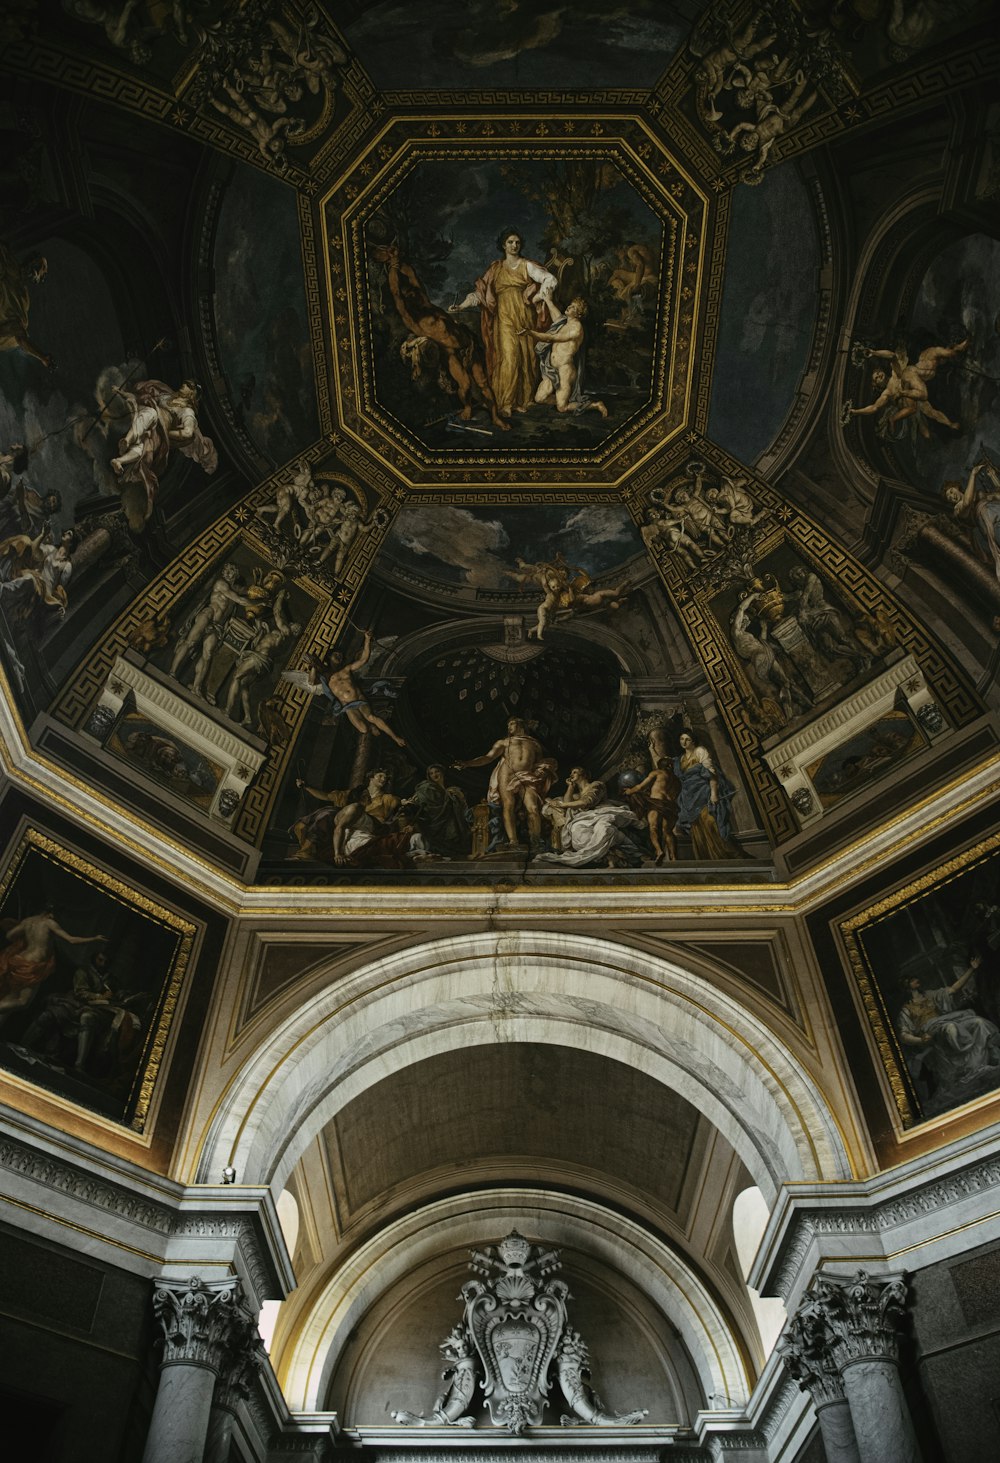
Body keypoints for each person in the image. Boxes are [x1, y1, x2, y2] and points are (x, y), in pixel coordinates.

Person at [450, 229, 560, 418]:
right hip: (504, 318)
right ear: (503, 245)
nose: (514, 245)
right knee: (509, 357)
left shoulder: (527, 266)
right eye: (510, 242)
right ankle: (506, 403)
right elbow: (480, 294)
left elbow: (550, 279)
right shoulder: (496, 269)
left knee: (526, 357)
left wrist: (536, 297)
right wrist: (460, 306)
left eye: (517, 242)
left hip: (525, 316)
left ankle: (522, 400)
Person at [897, 954, 1000, 1110]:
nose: (916, 980)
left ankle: (976, 1063)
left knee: (978, 1022)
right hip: (932, 1030)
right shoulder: (906, 1010)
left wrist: (972, 969)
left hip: (949, 1020)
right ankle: (966, 1059)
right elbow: (904, 1034)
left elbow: (953, 988)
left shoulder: (931, 995)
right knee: (950, 1028)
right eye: (912, 980)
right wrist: (920, 1041)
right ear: (907, 986)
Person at [454, 717, 555, 848]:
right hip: (507, 774)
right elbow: (488, 758)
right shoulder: (504, 743)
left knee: (533, 808)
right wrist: (467, 763)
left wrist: (543, 772)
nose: (509, 727)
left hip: (527, 776)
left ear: (520, 724)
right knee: (509, 805)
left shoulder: (535, 744)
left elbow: (539, 764)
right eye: (508, 725)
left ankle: (536, 841)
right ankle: (513, 841)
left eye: (512, 723)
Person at [0, 907, 108, 1028]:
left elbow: (9, 935)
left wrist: (26, 938)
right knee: (23, 1001)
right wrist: (94, 938)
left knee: (11, 997)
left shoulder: (28, 921)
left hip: (19, 960)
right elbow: (71, 940)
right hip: (33, 966)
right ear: (49, 913)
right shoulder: (49, 922)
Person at [300, 631, 406, 746]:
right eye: (336, 655)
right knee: (364, 729)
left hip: (360, 699)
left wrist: (366, 640)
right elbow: (311, 682)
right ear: (329, 657)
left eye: (341, 656)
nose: (339, 656)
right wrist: (313, 667)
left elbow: (364, 659)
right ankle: (370, 726)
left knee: (371, 716)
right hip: (347, 706)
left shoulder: (347, 669)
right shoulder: (325, 677)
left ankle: (395, 738)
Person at [170, 562, 255, 702]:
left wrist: (256, 593)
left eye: (231, 571)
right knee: (190, 642)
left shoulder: (233, 588)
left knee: (208, 655)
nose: (227, 573)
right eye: (226, 571)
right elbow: (240, 599)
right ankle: (173, 672)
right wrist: (260, 602)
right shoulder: (221, 584)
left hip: (217, 624)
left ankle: (196, 687)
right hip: (208, 614)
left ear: (236, 574)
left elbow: (244, 592)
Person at [535, 770, 645, 868]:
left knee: (604, 827)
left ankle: (618, 852)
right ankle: (607, 856)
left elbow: (588, 802)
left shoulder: (597, 785)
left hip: (601, 813)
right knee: (576, 829)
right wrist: (570, 787)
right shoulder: (578, 794)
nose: (571, 774)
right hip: (586, 818)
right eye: (571, 772)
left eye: (575, 772)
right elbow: (567, 801)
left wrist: (564, 805)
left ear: (585, 775)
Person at [519, 298, 607, 417]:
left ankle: (595, 405)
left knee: (562, 408)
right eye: (570, 305)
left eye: (573, 307)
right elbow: (556, 315)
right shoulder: (564, 323)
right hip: (551, 369)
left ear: (578, 314)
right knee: (539, 398)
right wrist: (548, 300)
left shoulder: (576, 329)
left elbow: (551, 338)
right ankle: (565, 399)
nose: (569, 307)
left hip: (565, 370)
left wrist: (530, 333)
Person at [787, 565, 871, 676]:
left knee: (843, 639)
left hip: (825, 612)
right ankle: (860, 657)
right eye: (795, 576)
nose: (799, 576)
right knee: (829, 648)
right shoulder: (799, 591)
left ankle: (862, 660)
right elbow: (787, 597)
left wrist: (802, 611)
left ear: (804, 570)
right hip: (816, 621)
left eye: (799, 572)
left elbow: (805, 596)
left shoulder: (811, 577)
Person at [673, 730, 742, 860]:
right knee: (697, 827)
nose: (684, 742)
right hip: (689, 796)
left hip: (703, 792)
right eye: (682, 739)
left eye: (687, 739)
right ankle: (707, 857)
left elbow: (711, 774)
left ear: (693, 740)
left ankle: (728, 854)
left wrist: (714, 793)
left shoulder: (700, 751)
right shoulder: (680, 759)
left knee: (710, 821)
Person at [944, 459, 1000, 582]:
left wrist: (993, 476)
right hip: (990, 522)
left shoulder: (976, 495)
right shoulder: (958, 509)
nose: (952, 496)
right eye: (949, 497)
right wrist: (973, 474)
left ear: (957, 487)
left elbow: (997, 495)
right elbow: (968, 502)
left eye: (952, 492)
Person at [402, 765, 471, 857]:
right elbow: (416, 799)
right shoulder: (427, 788)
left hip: (449, 820)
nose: (434, 774)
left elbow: (463, 806)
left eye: (437, 771)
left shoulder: (452, 790)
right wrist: (406, 801)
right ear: (429, 776)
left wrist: (458, 797)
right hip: (433, 822)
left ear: (442, 773)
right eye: (431, 773)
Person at [623, 759, 680, 863]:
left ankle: (659, 851)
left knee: (653, 828)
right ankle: (674, 857)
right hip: (670, 806)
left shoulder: (657, 773)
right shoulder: (676, 779)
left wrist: (629, 792)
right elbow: (675, 794)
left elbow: (640, 787)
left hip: (656, 803)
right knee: (667, 831)